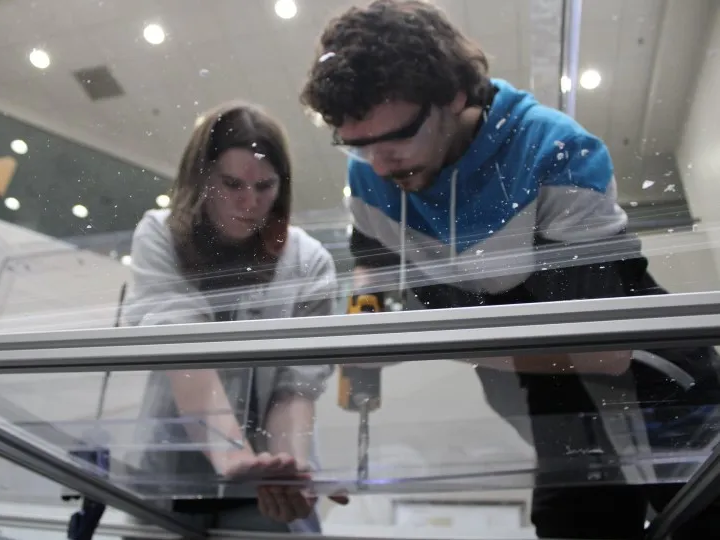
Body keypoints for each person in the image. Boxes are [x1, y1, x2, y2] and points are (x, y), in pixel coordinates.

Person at [300, 1, 720, 538]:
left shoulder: (553, 151)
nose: (381, 165)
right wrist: (366, 311)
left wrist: (420, 341)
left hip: (664, 399)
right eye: (358, 146)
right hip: (557, 408)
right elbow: (372, 259)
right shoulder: (371, 179)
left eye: (397, 137)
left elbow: (603, 350)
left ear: (453, 93)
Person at [121, 101, 347, 534]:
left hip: (263, 492)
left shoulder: (309, 261)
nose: (250, 202)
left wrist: (289, 471)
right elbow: (185, 353)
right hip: (168, 482)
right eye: (232, 184)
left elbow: (295, 387)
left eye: (265, 186)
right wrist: (235, 457)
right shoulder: (159, 234)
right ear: (202, 177)